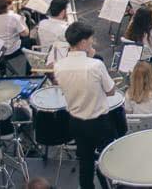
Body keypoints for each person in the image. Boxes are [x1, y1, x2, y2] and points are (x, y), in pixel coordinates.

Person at [54, 22, 118, 189]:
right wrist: (92, 58)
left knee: (85, 162)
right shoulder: (95, 65)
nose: (92, 42)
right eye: (90, 40)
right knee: (109, 161)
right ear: (82, 43)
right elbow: (111, 91)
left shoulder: (59, 66)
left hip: (76, 121)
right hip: (99, 122)